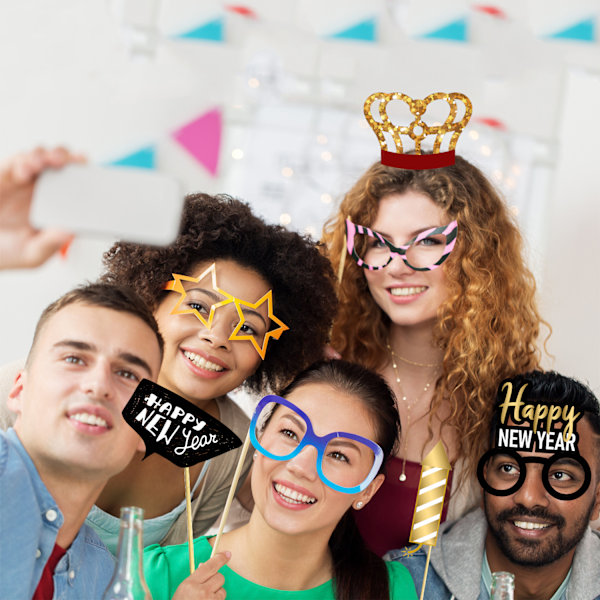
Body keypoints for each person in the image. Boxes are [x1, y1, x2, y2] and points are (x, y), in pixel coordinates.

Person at [322, 155, 548, 555]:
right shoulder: (324, 374)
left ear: (478, 255)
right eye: (377, 242)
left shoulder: (514, 406)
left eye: (428, 241)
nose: (397, 265)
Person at [88, 191, 337, 550]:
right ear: (151, 298)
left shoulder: (231, 453)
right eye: (199, 306)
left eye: (248, 328)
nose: (217, 337)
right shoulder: (50, 385)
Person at [143, 360, 418, 600]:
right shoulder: (158, 576)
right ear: (260, 438)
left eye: (338, 455)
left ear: (367, 490)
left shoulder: (392, 591)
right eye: (289, 433)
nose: (300, 466)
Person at [0, 282, 165, 599]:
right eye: (74, 359)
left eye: (128, 374)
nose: (99, 385)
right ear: (19, 391)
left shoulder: (104, 578)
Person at [389, 371, 600, 600]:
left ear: (597, 500)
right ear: (484, 481)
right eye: (509, 469)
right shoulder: (404, 582)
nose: (528, 497)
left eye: (560, 475)